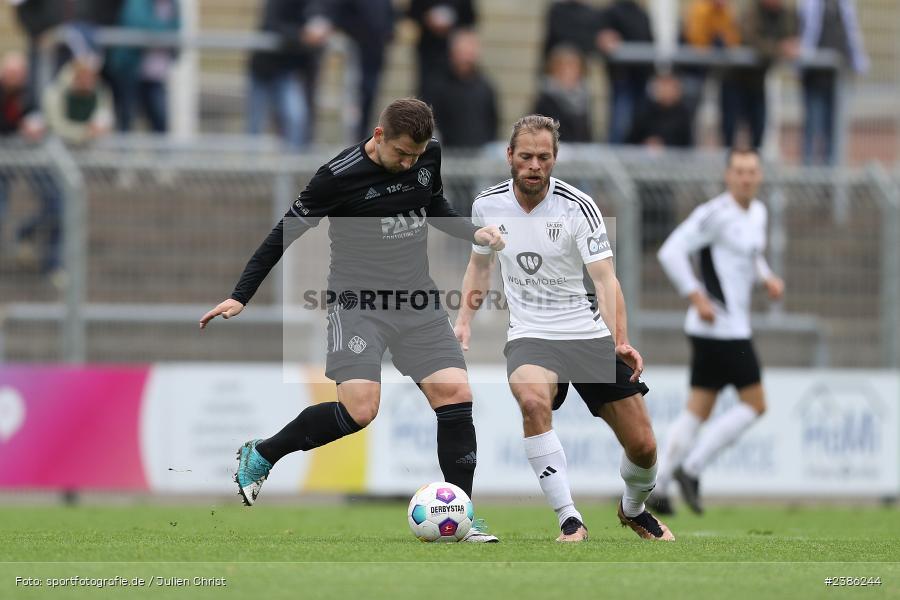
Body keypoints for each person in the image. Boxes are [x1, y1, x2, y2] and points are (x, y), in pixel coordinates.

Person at [199, 98, 504, 542]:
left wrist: (472, 232)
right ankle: (263, 453)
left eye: (416, 156)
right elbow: (282, 234)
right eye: (402, 153)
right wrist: (240, 295)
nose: (409, 163)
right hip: (358, 305)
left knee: (456, 393)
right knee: (361, 410)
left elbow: (434, 203)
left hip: (416, 301)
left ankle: (464, 517)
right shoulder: (335, 178)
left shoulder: (428, 155)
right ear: (378, 136)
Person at [454, 115, 674, 542]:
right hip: (531, 335)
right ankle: (569, 518)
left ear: (555, 158)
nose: (534, 165)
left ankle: (633, 509)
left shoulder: (579, 206)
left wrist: (621, 339)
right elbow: (478, 267)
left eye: (544, 157)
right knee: (534, 403)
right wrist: (464, 320)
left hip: (587, 334)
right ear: (510, 157)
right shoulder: (487, 206)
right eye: (526, 156)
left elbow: (605, 279)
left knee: (644, 447)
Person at [650, 147, 784, 515]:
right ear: (728, 176)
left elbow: (752, 253)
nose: (746, 177)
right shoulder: (715, 214)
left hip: (727, 329)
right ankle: (691, 469)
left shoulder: (758, 212)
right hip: (721, 328)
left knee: (697, 410)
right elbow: (671, 251)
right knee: (755, 404)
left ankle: (658, 485)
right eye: (739, 171)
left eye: (752, 171)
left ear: (759, 175)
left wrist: (767, 278)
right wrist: (696, 296)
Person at [246, 0, 332, 150]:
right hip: (263, 69)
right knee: (256, 123)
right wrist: (302, 36)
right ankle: (250, 168)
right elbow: (271, 25)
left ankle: (289, 168)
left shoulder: (316, 5)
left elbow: (321, 23)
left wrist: (318, 36)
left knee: (295, 118)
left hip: (287, 71)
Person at [798, 0, 868, 165]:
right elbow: (805, 36)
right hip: (815, 78)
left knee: (835, 131)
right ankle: (808, 177)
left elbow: (852, 34)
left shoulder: (845, 5)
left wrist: (859, 63)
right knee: (813, 129)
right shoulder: (809, 4)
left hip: (838, 81)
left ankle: (832, 176)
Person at [725, 0, 799, 149]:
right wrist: (779, 49)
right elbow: (752, 41)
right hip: (734, 80)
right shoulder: (751, 12)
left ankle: (753, 167)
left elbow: (792, 37)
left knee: (759, 133)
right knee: (730, 133)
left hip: (758, 81)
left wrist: (789, 46)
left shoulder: (786, 15)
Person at [106, 0, 180, 133]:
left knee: (159, 120)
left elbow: (177, 30)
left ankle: (162, 153)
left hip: (157, 74)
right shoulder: (138, 3)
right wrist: (164, 35)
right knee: (127, 117)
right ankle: (124, 153)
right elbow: (138, 24)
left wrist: (162, 36)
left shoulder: (173, 4)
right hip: (131, 70)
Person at [596, 0, 654, 144]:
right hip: (622, 76)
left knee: (638, 121)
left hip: (641, 77)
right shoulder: (611, 12)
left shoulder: (642, 13)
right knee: (620, 121)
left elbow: (649, 42)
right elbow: (604, 39)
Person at [407, 0, 476, 107]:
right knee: (427, 93)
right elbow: (412, 13)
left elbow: (470, 18)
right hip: (428, 51)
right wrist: (427, 18)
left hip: (452, 51)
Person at [533, 45, 593, 143]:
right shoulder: (546, 98)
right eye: (562, 67)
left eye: (573, 67)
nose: (567, 72)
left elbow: (587, 134)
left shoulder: (583, 96)